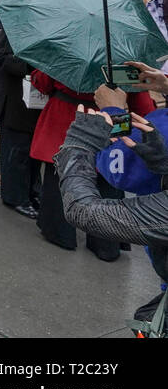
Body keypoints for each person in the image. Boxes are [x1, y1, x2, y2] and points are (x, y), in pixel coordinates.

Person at [29, 69, 152, 259]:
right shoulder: (124, 59)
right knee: (109, 180)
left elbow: (43, 83)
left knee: (62, 177)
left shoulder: (66, 51)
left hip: (67, 115)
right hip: (112, 117)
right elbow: (141, 102)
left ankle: (60, 234)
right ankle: (106, 245)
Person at [0, 34, 41, 219]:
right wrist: (33, 64)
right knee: (16, 151)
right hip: (12, 99)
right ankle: (15, 197)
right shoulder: (15, 26)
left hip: (35, 100)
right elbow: (0, 57)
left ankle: (32, 192)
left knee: (31, 151)